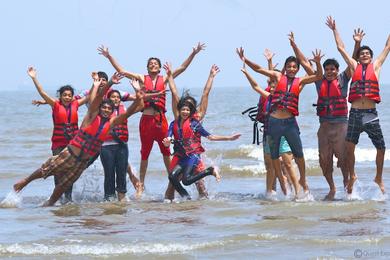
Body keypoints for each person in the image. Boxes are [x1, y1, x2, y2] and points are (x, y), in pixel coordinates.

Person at [13, 72, 144, 206]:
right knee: (47, 170)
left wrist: (139, 96)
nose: (105, 110)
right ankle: (26, 181)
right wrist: (109, 83)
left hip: (82, 161)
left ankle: (50, 203)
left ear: (112, 111)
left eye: (108, 109)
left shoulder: (111, 123)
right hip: (70, 154)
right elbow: (97, 97)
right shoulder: (91, 115)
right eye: (103, 107)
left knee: (64, 184)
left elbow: (128, 112)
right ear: (99, 108)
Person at [98, 43, 205, 198]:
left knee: (166, 152)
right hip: (146, 121)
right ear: (147, 68)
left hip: (160, 121)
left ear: (160, 67)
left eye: (155, 64)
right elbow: (122, 71)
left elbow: (182, 68)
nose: (153, 65)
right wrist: (109, 56)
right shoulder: (142, 78)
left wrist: (193, 53)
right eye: (150, 64)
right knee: (145, 154)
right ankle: (140, 185)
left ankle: (172, 180)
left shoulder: (165, 78)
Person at [236, 46, 323, 195]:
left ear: (297, 69)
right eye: (288, 66)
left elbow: (318, 76)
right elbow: (258, 69)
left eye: (294, 67)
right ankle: (281, 184)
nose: (291, 69)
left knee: (299, 154)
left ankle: (302, 179)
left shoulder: (300, 81)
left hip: (289, 123)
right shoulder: (277, 77)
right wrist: (245, 59)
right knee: (274, 156)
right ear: (285, 68)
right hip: (274, 122)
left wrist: (318, 63)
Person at [288, 30, 363, 200]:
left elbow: (352, 59)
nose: (329, 72)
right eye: (327, 69)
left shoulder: (344, 79)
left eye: (332, 69)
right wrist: (294, 45)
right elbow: (304, 62)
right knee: (323, 160)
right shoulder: (319, 80)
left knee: (344, 160)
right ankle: (332, 188)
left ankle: (347, 188)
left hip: (341, 125)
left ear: (337, 71)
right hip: (324, 127)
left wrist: (357, 43)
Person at [326, 16, 390, 194]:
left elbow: (387, 46)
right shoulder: (354, 66)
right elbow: (341, 48)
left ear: (371, 56)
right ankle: (352, 175)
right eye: (362, 53)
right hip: (354, 113)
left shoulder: (376, 66)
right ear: (359, 57)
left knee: (381, 147)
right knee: (349, 147)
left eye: (367, 54)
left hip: (371, 113)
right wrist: (335, 30)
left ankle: (378, 177)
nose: (364, 55)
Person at [162, 64, 241, 199]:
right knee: (172, 183)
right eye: (183, 107)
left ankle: (201, 207)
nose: (185, 110)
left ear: (192, 109)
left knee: (200, 185)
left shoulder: (197, 119)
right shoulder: (176, 119)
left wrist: (211, 76)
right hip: (180, 155)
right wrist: (169, 76)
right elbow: (174, 93)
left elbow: (205, 93)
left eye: (189, 108)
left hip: (194, 156)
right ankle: (169, 206)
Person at [240, 50, 299, 197]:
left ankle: (294, 192)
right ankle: (272, 193)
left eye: (275, 83)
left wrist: (271, 64)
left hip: (284, 132)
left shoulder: (284, 95)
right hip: (268, 134)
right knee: (271, 166)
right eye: (271, 83)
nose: (272, 85)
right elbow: (263, 80)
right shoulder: (267, 95)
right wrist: (247, 72)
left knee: (285, 165)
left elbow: (275, 77)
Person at [27, 67, 89, 203]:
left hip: (73, 145)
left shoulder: (76, 104)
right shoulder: (55, 104)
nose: (67, 97)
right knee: (57, 170)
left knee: (70, 172)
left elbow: (91, 97)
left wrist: (96, 83)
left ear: (72, 96)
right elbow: (42, 92)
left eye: (69, 95)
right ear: (60, 96)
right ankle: (58, 197)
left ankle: (68, 198)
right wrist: (34, 78)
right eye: (64, 95)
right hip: (58, 144)